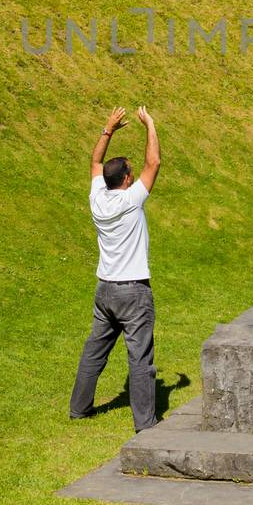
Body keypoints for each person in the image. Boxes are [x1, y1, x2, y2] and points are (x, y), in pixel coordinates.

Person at [68, 105, 162, 431]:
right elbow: (155, 163)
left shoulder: (98, 198)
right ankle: (145, 426)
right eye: (131, 172)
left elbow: (95, 162)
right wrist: (149, 124)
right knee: (140, 359)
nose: (135, 174)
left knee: (95, 350)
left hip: (105, 290)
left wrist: (108, 129)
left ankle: (79, 410)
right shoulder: (131, 200)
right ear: (125, 179)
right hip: (133, 292)